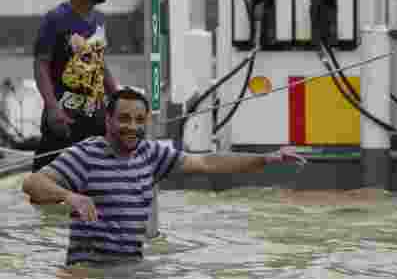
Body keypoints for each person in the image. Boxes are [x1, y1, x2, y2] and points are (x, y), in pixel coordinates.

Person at [22, 87, 307, 266]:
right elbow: (33, 184)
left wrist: (267, 158)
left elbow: (208, 162)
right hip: (87, 275)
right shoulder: (87, 155)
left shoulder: (150, 154)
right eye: (123, 119)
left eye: (138, 120)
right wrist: (70, 196)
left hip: (129, 269)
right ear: (108, 121)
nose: (131, 127)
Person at [32, 0, 119, 171]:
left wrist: (117, 98)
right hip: (65, 119)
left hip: (95, 118)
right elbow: (41, 65)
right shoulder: (55, 19)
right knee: (45, 182)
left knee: (96, 181)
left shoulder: (100, 19)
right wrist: (52, 108)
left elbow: (99, 63)